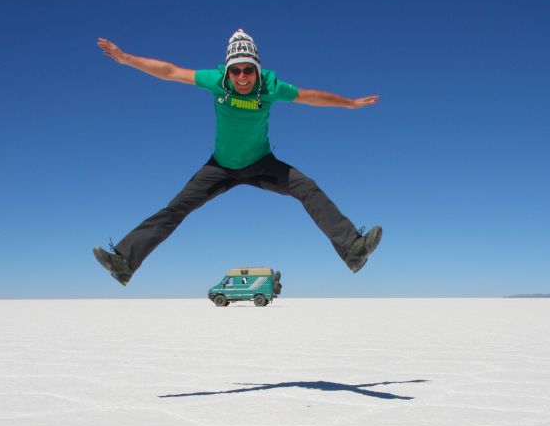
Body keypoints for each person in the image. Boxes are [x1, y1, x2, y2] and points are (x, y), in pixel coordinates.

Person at [93, 29, 383, 286]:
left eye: (248, 70)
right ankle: (124, 263)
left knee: (307, 187)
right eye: (236, 71)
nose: (242, 77)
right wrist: (126, 58)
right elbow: (170, 71)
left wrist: (348, 103)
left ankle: (352, 249)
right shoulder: (216, 81)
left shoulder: (271, 86)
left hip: (262, 163)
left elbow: (310, 96)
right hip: (219, 167)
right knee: (175, 209)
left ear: (257, 69)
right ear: (228, 71)